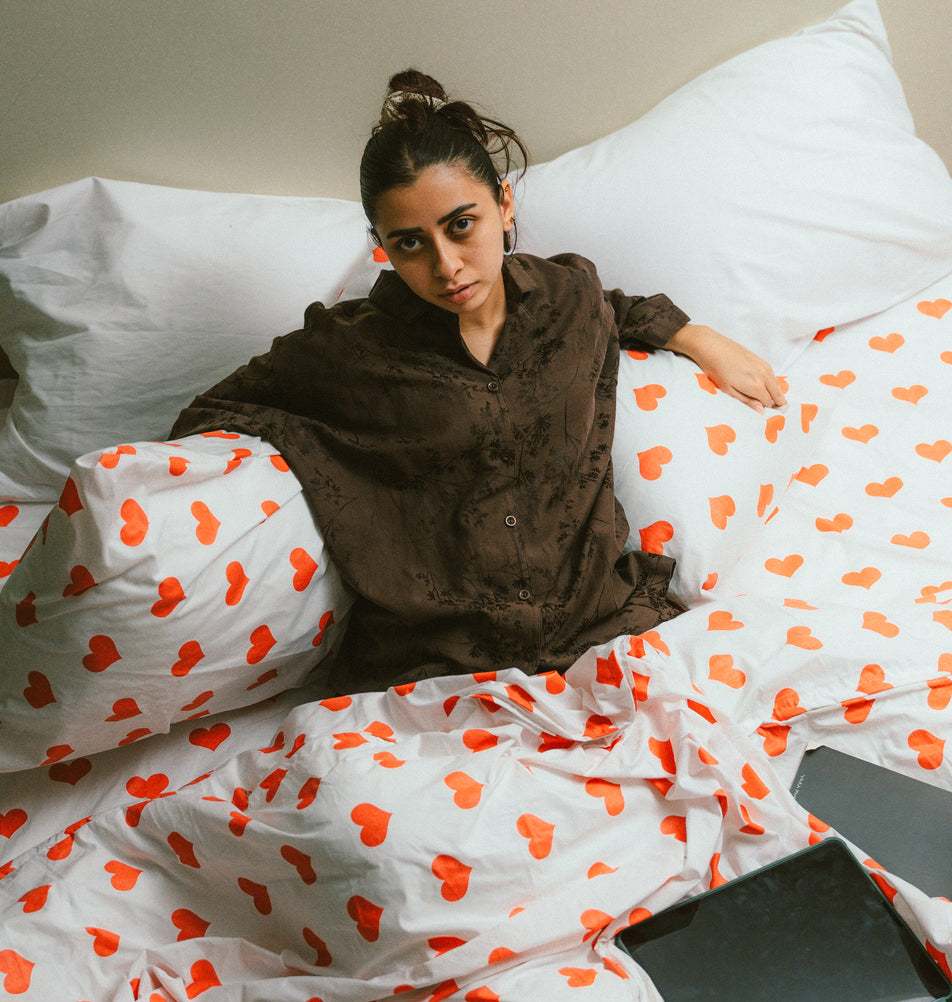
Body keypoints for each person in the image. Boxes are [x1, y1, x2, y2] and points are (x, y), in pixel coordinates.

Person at [170, 70, 784, 693]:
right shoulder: (348, 352)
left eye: (461, 224)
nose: (446, 265)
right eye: (410, 243)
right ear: (380, 245)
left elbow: (613, 306)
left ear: (504, 203)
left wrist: (693, 336)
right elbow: (217, 411)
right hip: (429, 672)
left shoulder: (569, 298)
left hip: (601, 629)